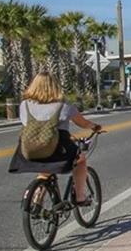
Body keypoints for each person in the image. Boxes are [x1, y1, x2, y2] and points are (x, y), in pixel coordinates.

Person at [9, 72, 103, 203]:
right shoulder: (64, 105)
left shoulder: (24, 105)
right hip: (58, 150)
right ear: (55, 86)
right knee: (80, 160)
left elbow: (36, 127)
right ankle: (80, 197)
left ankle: (36, 199)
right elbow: (83, 123)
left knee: (45, 167)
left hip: (29, 150)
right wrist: (95, 127)